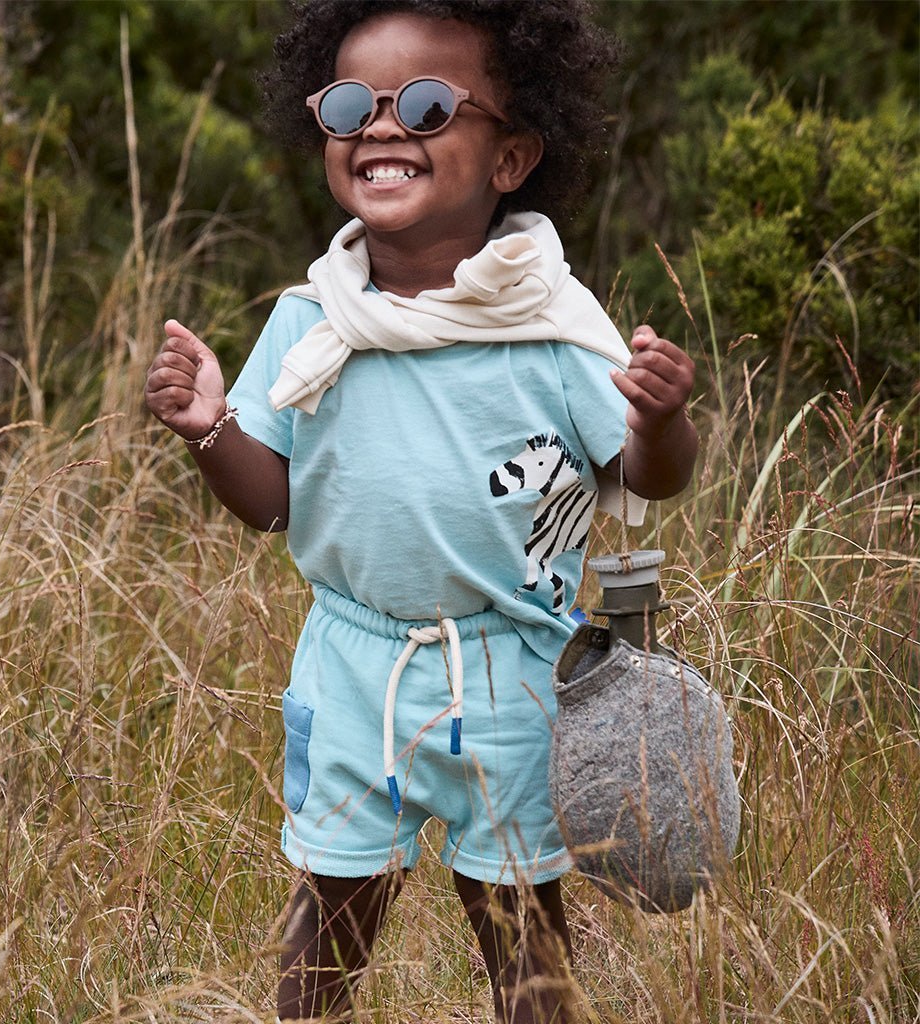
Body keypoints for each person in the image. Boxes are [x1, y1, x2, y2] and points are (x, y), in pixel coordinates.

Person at [144, 2, 697, 1021]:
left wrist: (660, 420)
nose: (383, 128)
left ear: (511, 157)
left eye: (431, 106)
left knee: (524, 944)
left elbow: (646, 475)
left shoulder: (553, 330)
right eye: (350, 105)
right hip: (354, 670)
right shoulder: (312, 321)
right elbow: (271, 504)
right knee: (323, 935)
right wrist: (211, 430)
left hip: (512, 675)